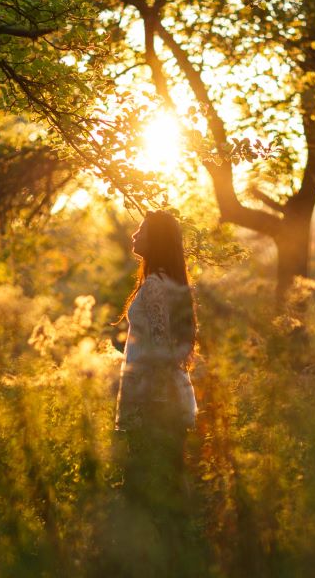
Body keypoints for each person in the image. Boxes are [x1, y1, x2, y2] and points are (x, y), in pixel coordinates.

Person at [114, 210, 198, 511]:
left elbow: (162, 346)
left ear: (157, 239)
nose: (135, 235)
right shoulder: (165, 280)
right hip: (162, 395)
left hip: (154, 399)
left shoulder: (153, 283)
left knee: (146, 481)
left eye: (141, 230)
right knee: (167, 481)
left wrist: (152, 402)